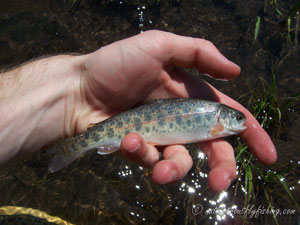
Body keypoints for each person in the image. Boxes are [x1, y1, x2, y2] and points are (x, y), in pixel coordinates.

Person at [0, 30, 276, 192]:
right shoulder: (215, 118)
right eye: (238, 118)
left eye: (239, 118)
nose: (241, 122)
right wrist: (79, 88)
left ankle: (72, 147)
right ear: (223, 118)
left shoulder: (214, 116)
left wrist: (75, 89)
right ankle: (73, 147)